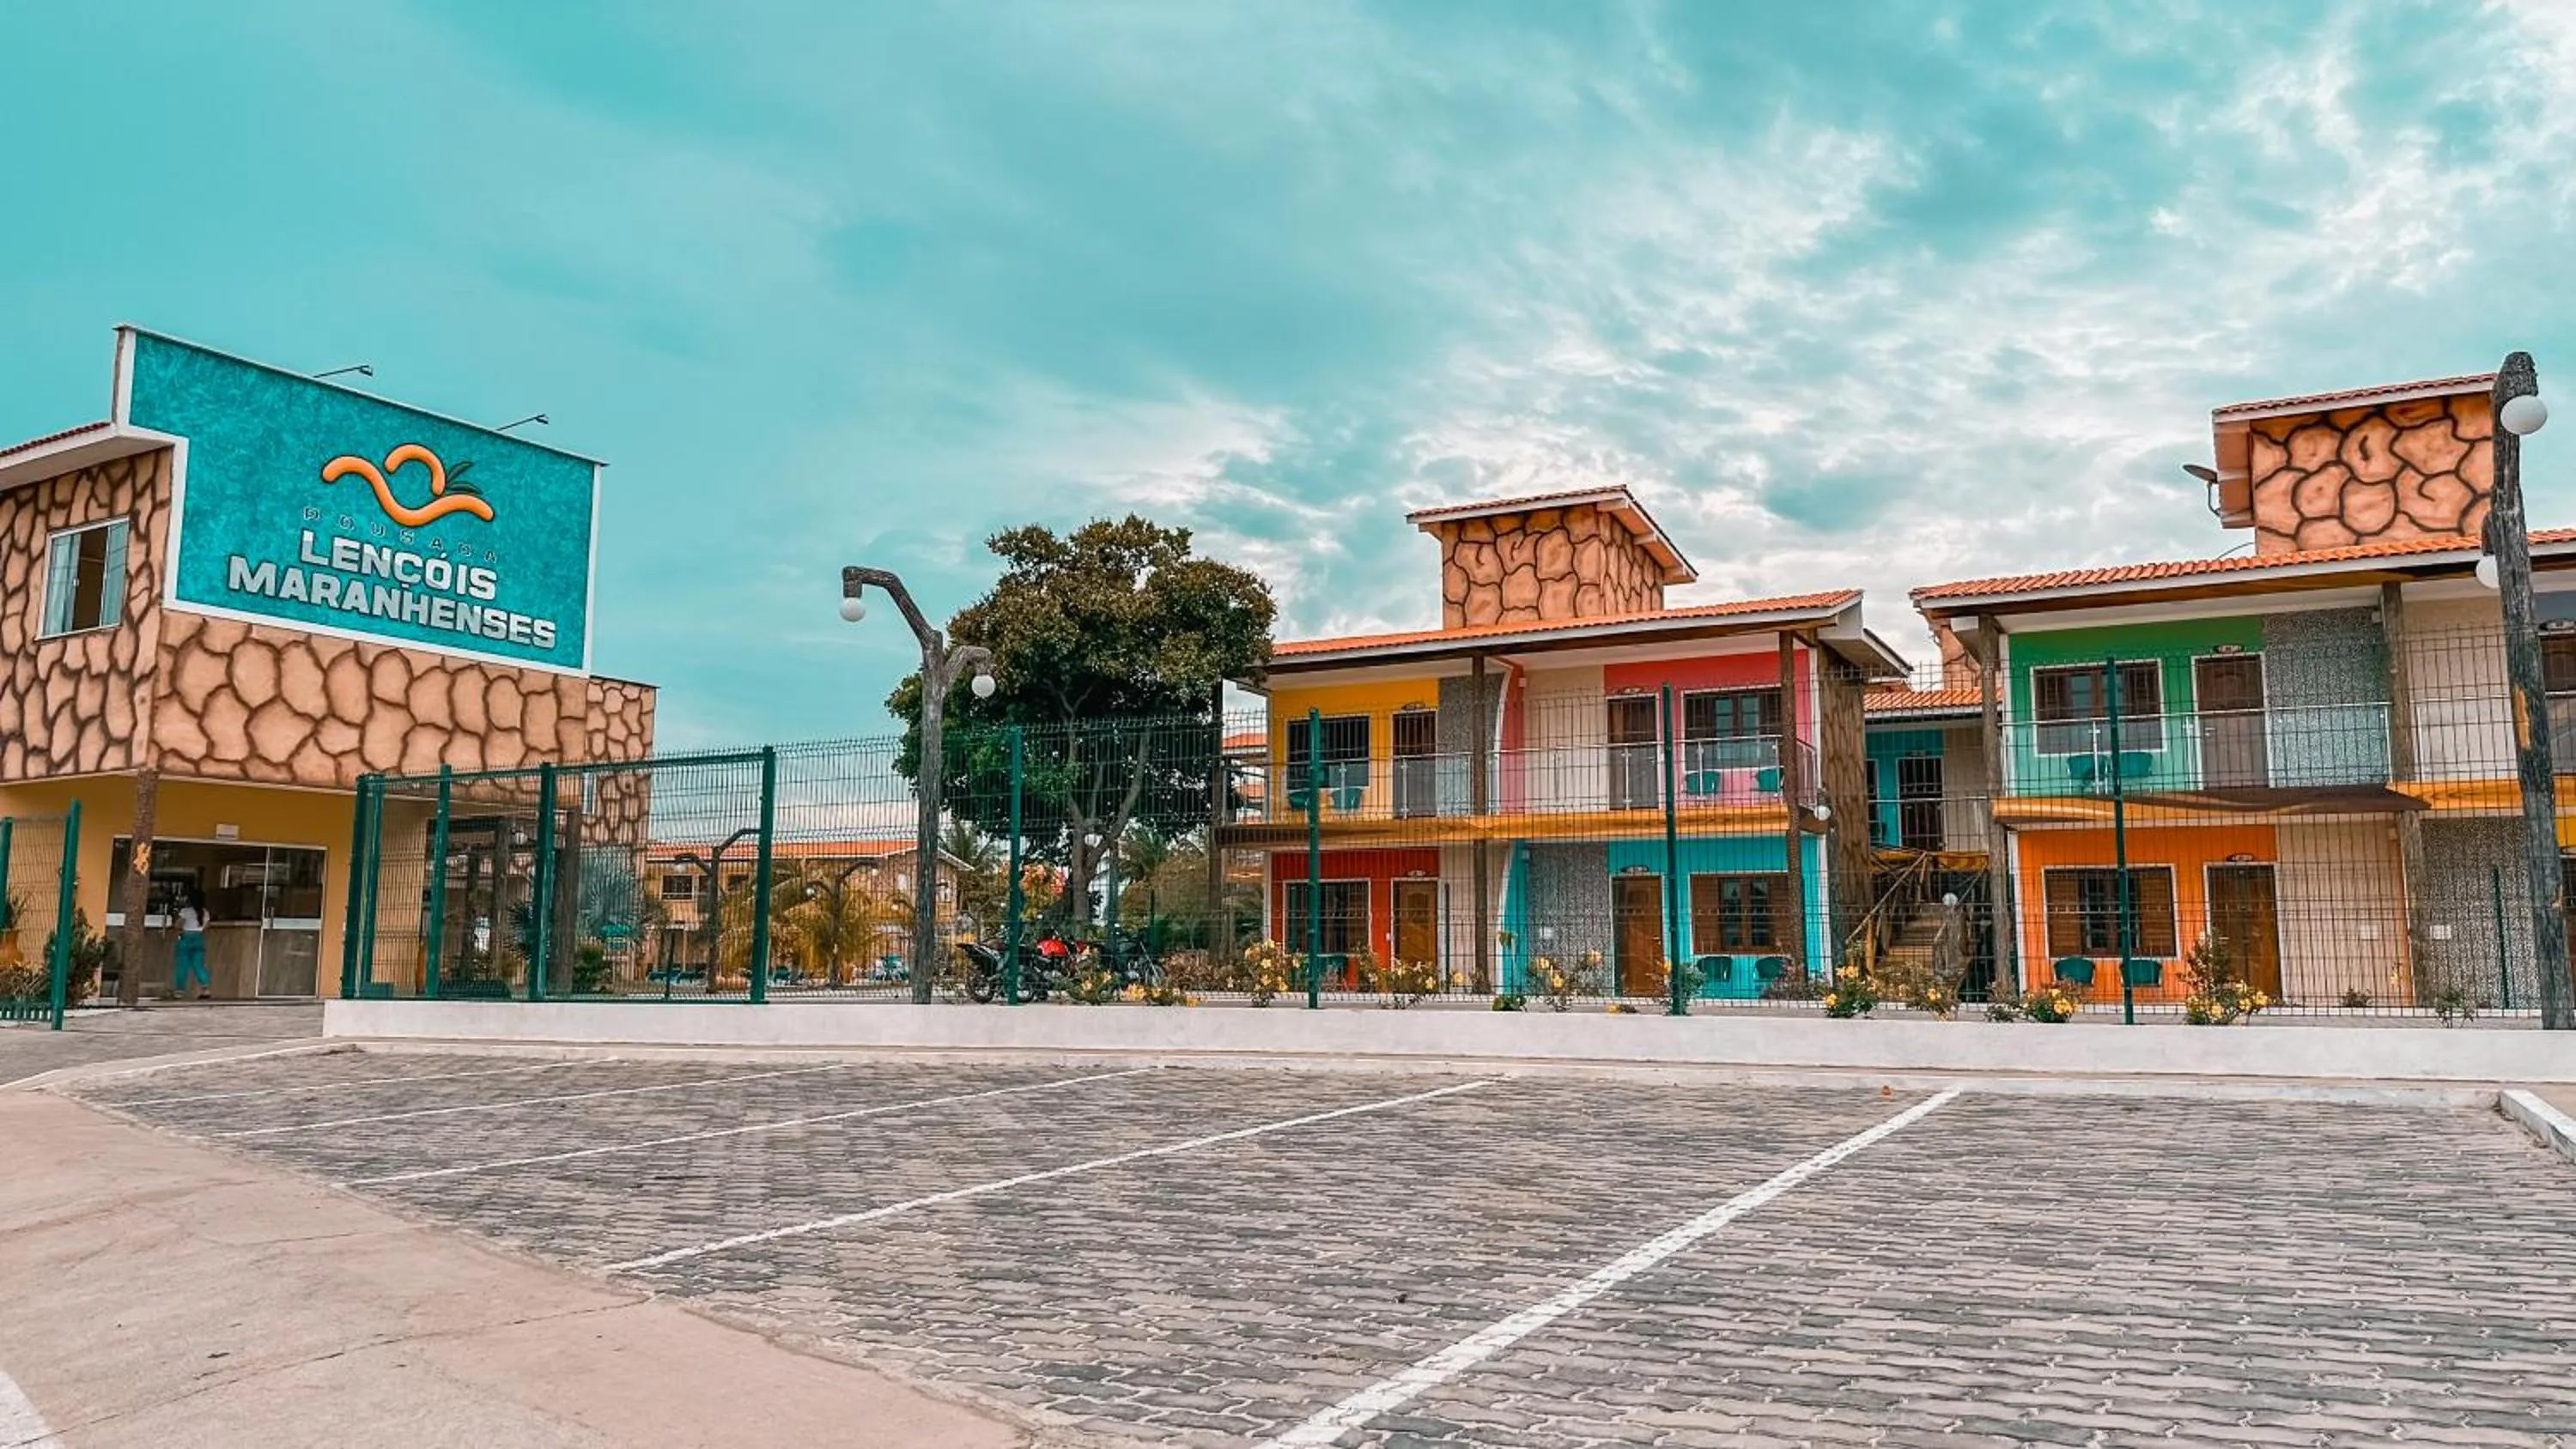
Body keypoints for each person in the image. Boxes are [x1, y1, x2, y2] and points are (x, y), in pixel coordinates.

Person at [173, 894, 210, 1000]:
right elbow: (206, 926)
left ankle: (179, 991)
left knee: (182, 965)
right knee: (199, 966)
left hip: (186, 938)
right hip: (199, 939)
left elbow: (178, 925)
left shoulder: (186, 911)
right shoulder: (205, 912)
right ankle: (205, 989)